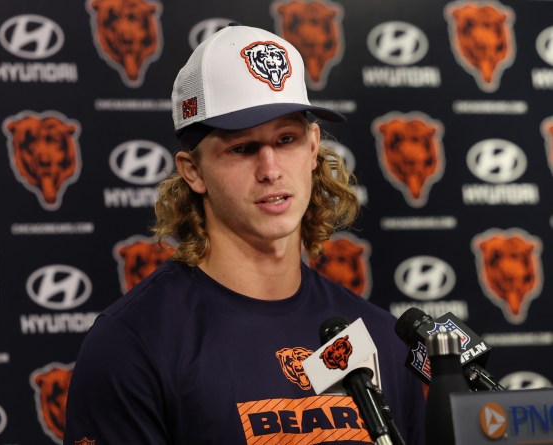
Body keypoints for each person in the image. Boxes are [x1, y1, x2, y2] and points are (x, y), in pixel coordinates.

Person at [64, 24, 425, 445]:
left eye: (286, 139)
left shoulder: (381, 336)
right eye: (242, 148)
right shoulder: (133, 344)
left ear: (312, 148)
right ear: (193, 171)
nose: (270, 169)